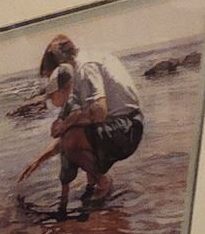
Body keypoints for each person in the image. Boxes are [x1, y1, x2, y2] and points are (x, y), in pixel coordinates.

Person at [37, 29, 144, 218]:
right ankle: (93, 186)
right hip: (129, 123)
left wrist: (66, 127)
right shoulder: (89, 59)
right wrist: (39, 159)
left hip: (127, 129)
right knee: (76, 132)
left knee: (72, 138)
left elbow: (99, 112)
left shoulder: (84, 68)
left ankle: (103, 182)